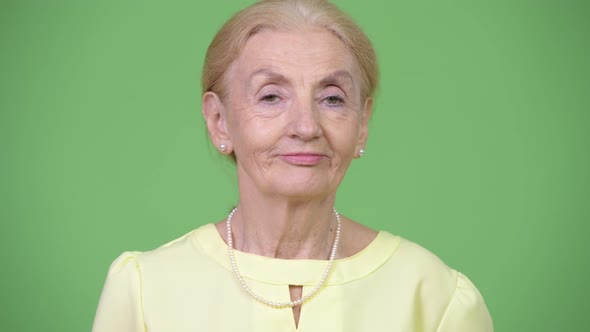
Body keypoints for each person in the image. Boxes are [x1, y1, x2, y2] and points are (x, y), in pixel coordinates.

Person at [92, 0, 493, 331]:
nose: (306, 126)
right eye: (271, 97)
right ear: (219, 121)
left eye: (333, 98)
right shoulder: (145, 291)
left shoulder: (435, 298)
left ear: (363, 124)